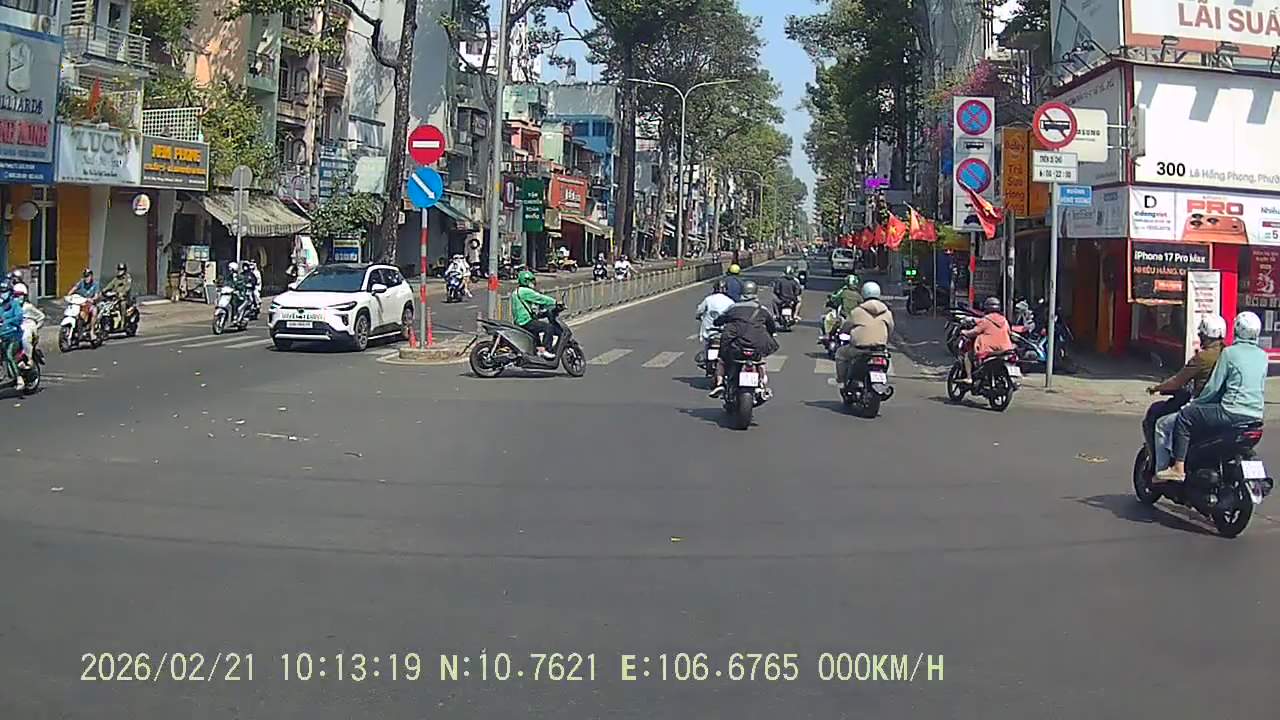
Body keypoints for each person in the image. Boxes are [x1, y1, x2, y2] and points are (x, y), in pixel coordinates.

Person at [1157, 312, 1268, 482]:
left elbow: (1213, 387)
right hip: (1256, 416)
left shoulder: (1229, 353)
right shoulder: (1263, 356)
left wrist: (1195, 404)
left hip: (1231, 412)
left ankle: (1178, 468)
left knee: (1186, 416)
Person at [1144, 315, 1226, 471]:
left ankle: (1162, 471)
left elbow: (1177, 381)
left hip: (1202, 406)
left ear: (1205, 335)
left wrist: (1157, 388)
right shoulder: (1227, 354)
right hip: (1222, 407)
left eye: (1201, 334)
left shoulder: (1202, 358)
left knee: (1162, 424)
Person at [708, 280, 778, 398]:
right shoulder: (762, 310)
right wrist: (770, 334)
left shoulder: (733, 308)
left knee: (721, 360)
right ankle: (762, 384)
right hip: (756, 346)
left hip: (737, 346)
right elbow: (772, 326)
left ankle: (720, 384)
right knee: (760, 360)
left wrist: (718, 322)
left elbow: (720, 320)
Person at [835, 281, 895, 386]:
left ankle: (842, 380)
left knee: (840, 353)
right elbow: (890, 329)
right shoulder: (887, 312)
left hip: (859, 350)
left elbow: (846, 326)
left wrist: (842, 332)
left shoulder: (857, 312)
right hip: (879, 350)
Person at [959, 296, 1014, 383]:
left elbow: (975, 332)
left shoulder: (986, 320)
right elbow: (1009, 332)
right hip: (1005, 348)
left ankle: (969, 378)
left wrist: (964, 332)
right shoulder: (1004, 320)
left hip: (989, 349)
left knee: (968, 355)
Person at [511, 269, 559, 360]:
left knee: (536, 330)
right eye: (531, 281)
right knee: (548, 327)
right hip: (525, 321)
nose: (533, 283)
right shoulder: (525, 291)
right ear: (526, 281)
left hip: (520, 320)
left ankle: (537, 349)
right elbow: (540, 298)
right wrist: (555, 302)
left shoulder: (517, 291)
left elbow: (530, 305)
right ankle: (545, 350)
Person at [11, 282, 43, 369]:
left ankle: (29, 359)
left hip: (28, 328)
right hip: (16, 328)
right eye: (16, 295)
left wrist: (36, 328)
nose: (18, 297)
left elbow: (41, 317)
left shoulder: (28, 307)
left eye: (20, 295)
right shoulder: (12, 307)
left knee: (25, 338)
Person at [822, 274, 863, 338]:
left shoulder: (843, 292)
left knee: (829, 320)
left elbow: (835, 299)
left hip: (844, 316)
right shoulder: (859, 296)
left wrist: (830, 301)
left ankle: (827, 336)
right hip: (854, 318)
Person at [696, 279, 735, 344]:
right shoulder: (730, 301)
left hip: (708, 332)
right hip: (723, 332)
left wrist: (699, 316)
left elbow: (699, 310)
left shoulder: (708, 299)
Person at [0, 280, 22, 388]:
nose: (3, 293)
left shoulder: (15, 304)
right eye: (1, 291)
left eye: (5, 291)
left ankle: (19, 378)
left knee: (9, 355)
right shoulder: (1, 306)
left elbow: (19, 317)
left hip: (14, 335)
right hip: (2, 335)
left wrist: (7, 321)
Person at [69, 268, 101, 342]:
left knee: (94, 311)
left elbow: (96, 295)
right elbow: (74, 289)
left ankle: (92, 331)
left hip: (90, 304)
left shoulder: (95, 284)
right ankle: (76, 331)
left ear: (91, 276)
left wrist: (92, 299)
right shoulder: (81, 282)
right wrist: (69, 295)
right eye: (85, 276)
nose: (87, 278)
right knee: (77, 313)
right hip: (81, 303)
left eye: (88, 276)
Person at [101, 262, 134, 328]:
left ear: (124, 270)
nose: (120, 271)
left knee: (122, 304)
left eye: (121, 270)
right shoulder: (116, 279)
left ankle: (123, 321)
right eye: (119, 269)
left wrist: (122, 293)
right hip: (115, 298)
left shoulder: (127, 278)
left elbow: (128, 288)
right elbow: (110, 285)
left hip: (125, 298)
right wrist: (104, 290)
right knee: (105, 304)